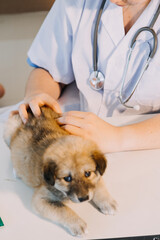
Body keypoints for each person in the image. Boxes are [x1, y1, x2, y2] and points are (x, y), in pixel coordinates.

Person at [18, 0, 160, 154]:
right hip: (71, 137)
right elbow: (48, 68)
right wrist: (38, 94)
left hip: (146, 145)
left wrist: (118, 137)